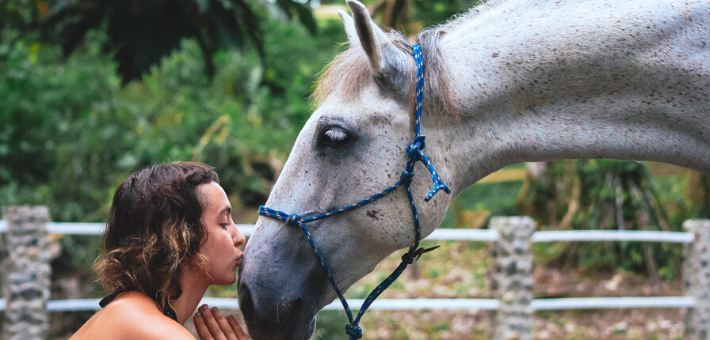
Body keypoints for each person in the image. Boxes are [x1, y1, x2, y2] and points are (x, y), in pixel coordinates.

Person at [70, 162, 249, 340]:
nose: (240, 237)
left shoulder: (132, 312)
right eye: (224, 222)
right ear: (181, 237)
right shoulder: (155, 330)